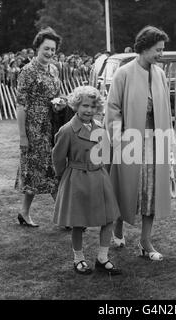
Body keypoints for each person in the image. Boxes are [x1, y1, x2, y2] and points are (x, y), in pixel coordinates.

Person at [106, 25, 173, 260]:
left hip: (155, 143)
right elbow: (112, 108)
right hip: (129, 143)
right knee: (125, 188)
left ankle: (145, 241)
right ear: (144, 48)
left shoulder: (160, 74)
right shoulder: (123, 73)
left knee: (150, 191)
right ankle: (117, 227)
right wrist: (118, 141)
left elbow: (166, 110)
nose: (161, 54)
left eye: (162, 50)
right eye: (158, 49)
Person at [52, 85, 122, 275]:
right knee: (78, 222)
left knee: (109, 219)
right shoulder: (67, 130)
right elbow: (58, 158)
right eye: (84, 106)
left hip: (99, 177)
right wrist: (63, 178)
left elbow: (106, 153)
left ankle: (102, 257)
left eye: (92, 106)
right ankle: (79, 259)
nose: (89, 110)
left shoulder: (100, 127)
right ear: (76, 105)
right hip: (77, 179)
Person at [15, 27, 65, 227]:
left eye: (53, 49)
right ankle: (65, 217)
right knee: (44, 170)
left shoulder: (54, 69)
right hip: (34, 128)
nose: (50, 53)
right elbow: (21, 105)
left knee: (42, 171)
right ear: (37, 47)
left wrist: (60, 102)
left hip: (52, 126)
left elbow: (55, 95)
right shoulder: (27, 71)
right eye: (46, 48)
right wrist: (22, 136)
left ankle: (24, 212)